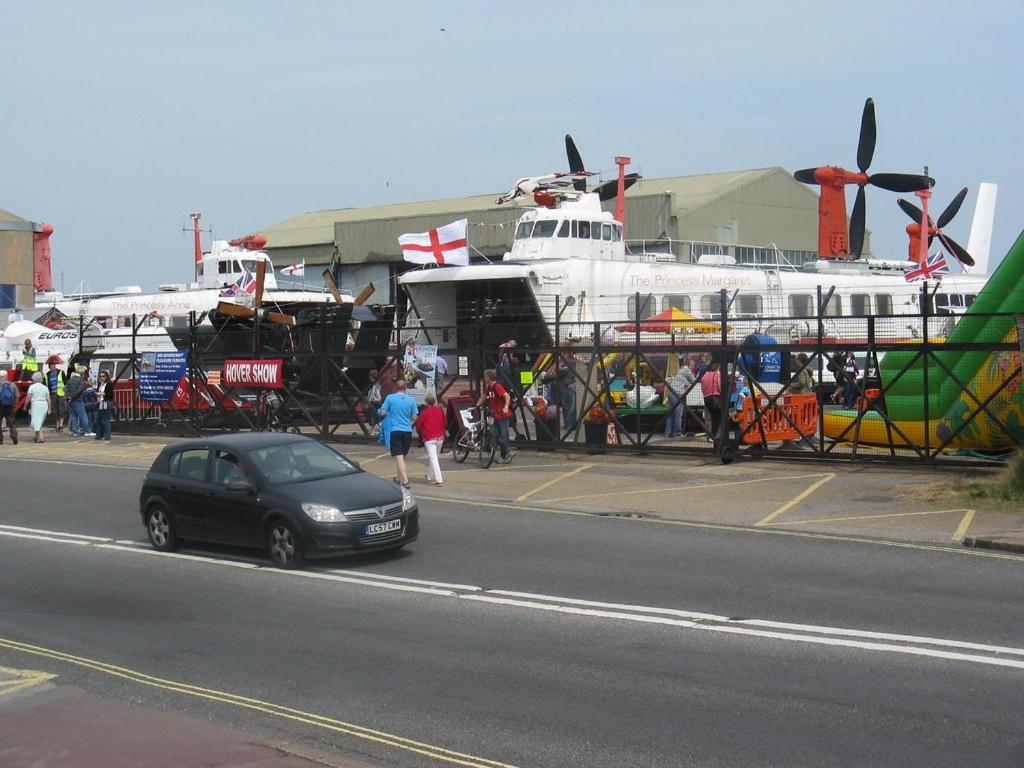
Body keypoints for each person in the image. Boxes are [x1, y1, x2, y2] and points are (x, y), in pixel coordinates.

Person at [378, 379, 418, 488]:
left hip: (395, 429)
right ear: (405, 388)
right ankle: (398, 477)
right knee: (401, 456)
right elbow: (415, 417)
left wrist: (384, 413)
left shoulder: (390, 398)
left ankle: (405, 481)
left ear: (396, 388)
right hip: (407, 430)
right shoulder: (411, 400)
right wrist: (408, 422)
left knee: (399, 456)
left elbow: (383, 412)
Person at [478, 368, 516, 464]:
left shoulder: (497, 386)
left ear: (489, 378)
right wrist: (477, 405)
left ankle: (507, 452)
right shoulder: (489, 388)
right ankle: (506, 454)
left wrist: (506, 407)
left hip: (502, 415)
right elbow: (483, 396)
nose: (484, 378)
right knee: (495, 435)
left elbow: (507, 396)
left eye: (485, 377)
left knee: (503, 436)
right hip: (495, 415)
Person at [416, 391, 446, 486]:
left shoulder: (424, 412)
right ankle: (429, 476)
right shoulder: (440, 410)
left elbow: (418, 425)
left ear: (426, 402)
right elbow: (445, 423)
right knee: (434, 458)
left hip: (429, 438)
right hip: (440, 437)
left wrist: (421, 434)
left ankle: (439, 479)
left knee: (433, 459)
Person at [664, 357, 695, 438]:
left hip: (671, 394)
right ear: (688, 364)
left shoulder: (680, 370)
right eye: (692, 365)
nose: (693, 366)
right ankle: (677, 433)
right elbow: (693, 381)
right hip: (678, 395)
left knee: (671, 414)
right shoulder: (687, 370)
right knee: (678, 414)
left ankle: (668, 433)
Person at [64, 366, 94, 437]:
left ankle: (75, 432)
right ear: (82, 373)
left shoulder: (70, 380)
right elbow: (79, 390)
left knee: (74, 416)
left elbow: (65, 389)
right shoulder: (80, 380)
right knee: (83, 416)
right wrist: (73, 396)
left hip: (71, 401)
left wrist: (69, 396)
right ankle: (87, 431)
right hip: (78, 400)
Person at [22, 371, 51, 443]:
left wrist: (25, 406)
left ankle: (40, 437)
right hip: (44, 404)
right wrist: (49, 408)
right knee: (39, 421)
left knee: (36, 421)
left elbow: (28, 397)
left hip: (36, 404)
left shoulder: (32, 387)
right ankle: (37, 437)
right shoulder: (45, 387)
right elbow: (48, 399)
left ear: (34, 379)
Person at [700, 360, 722, 442]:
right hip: (716, 398)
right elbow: (720, 387)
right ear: (718, 366)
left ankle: (708, 437)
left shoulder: (704, 375)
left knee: (708, 419)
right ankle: (716, 436)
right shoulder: (718, 374)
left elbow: (702, 389)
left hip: (706, 398)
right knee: (718, 418)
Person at [45, 358, 67, 432]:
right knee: (55, 410)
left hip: (61, 393)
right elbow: (47, 384)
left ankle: (61, 426)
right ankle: (57, 425)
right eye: (51, 365)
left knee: (61, 409)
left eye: (53, 365)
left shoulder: (60, 372)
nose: (52, 366)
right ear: (49, 366)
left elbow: (65, 383)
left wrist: (66, 394)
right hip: (52, 394)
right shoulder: (47, 374)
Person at [93, 370, 114, 441]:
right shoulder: (102, 384)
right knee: (98, 419)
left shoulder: (109, 384)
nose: (102, 377)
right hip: (101, 402)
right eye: (100, 376)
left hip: (106, 402)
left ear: (107, 376)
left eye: (103, 376)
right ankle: (99, 435)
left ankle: (107, 436)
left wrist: (99, 394)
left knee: (105, 419)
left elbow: (109, 393)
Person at [0, 370, 19, 445]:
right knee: (12, 422)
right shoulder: (12, 384)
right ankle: (14, 436)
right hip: (9, 406)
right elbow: (17, 396)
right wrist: (15, 405)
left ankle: (0, 440)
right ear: (6, 376)